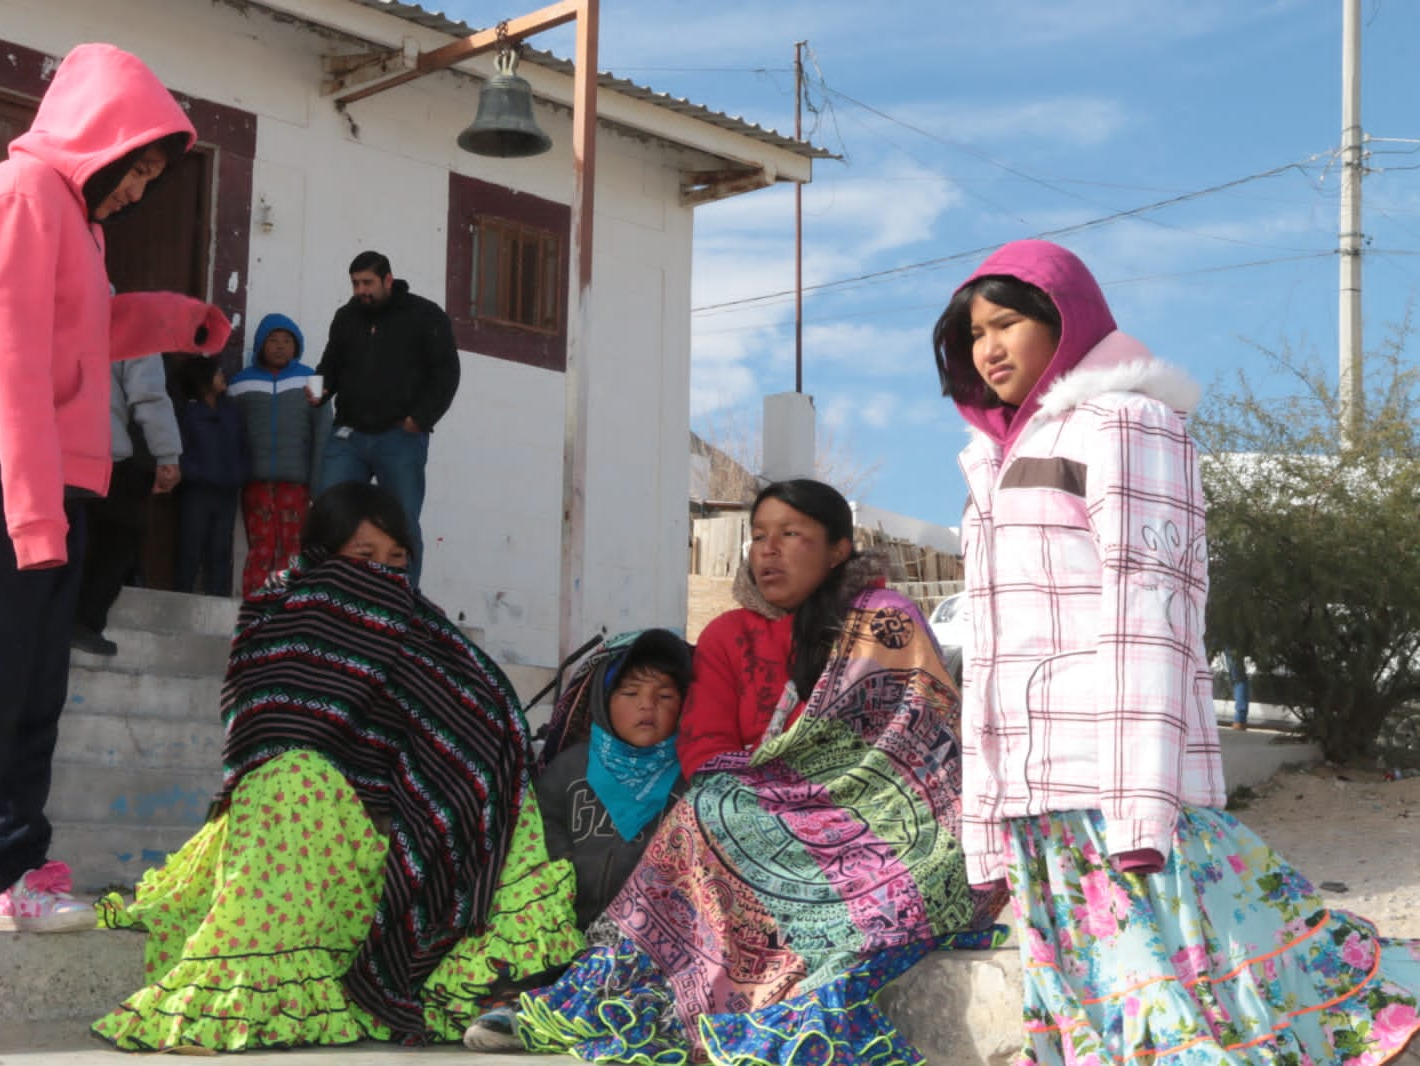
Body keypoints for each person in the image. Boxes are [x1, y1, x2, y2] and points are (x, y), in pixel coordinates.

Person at [933, 238, 1420, 1064]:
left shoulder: (1127, 421)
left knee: (1181, 981)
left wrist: (1136, 800)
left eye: (1007, 322)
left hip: (1111, 770)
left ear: (1066, 320)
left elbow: (1148, 604)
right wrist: (985, 813)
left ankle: (1377, 1005)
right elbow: (992, 644)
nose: (987, 347)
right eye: (972, 332)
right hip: (1033, 778)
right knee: (1101, 998)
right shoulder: (992, 459)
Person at [0, 42, 232, 938]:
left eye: (153, 176)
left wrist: (177, 322)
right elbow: (6, 358)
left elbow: (89, 327)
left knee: (37, 684)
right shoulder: (15, 198)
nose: (137, 189)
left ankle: (12, 873)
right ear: (104, 139)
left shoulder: (76, 224)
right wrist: (32, 506)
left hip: (49, 477)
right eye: (138, 169)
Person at [514, 479, 1006, 1066]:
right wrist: (778, 788)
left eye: (791, 534)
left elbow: (918, 739)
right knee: (704, 809)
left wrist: (810, 789)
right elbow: (704, 745)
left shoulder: (883, 620)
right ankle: (615, 996)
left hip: (880, 817)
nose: (767, 550)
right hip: (767, 809)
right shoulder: (728, 633)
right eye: (758, 536)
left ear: (838, 549)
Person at [92, 481, 582, 1051]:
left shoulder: (423, 628)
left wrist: (424, 799)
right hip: (316, 849)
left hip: (421, 849)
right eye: (362, 557)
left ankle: (498, 985)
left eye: (396, 559)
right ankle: (251, 989)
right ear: (323, 557)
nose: (381, 574)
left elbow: (483, 728)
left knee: (503, 793)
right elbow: (268, 733)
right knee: (291, 779)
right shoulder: (276, 618)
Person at [465, 629, 694, 1051]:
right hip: (570, 934)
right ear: (602, 704)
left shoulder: (694, 778)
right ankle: (533, 1009)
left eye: (664, 696)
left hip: (655, 942)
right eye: (630, 693)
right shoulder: (567, 772)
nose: (647, 705)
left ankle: (554, 1018)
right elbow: (540, 851)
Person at [313, 251, 460, 587]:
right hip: (348, 434)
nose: (361, 290)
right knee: (331, 514)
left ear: (388, 280)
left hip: (400, 436)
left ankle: (402, 598)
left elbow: (447, 372)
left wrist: (421, 418)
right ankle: (327, 590)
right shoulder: (346, 317)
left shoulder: (424, 315)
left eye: (367, 283)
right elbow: (330, 366)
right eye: (355, 283)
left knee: (401, 522)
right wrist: (319, 391)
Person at [72, 352, 183, 657]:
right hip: (104, 452)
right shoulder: (128, 318)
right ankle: (83, 621)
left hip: (50, 445)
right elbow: (146, 394)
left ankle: (51, 617)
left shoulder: (50, 309)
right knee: (117, 537)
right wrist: (168, 454)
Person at [228, 313, 318, 596]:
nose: (280, 346)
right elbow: (231, 431)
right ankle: (256, 603)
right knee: (261, 545)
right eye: (273, 340)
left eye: (287, 341)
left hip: (297, 483)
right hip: (256, 482)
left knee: (293, 546)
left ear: (297, 346)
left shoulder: (311, 378)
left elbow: (323, 429)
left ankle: (288, 603)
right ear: (260, 345)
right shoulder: (241, 382)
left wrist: (319, 480)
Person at [174, 355, 247, 596]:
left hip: (227, 491)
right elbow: (180, 452)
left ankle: (217, 602)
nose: (222, 375)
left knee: (220, 549)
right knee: (190, 549)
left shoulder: (231, 411)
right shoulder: (189, 413)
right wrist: (194, 473)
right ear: (203, 380)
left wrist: (239, 473)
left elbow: (241, 445)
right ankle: (181, 599)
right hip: (198, 490)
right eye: (217, 372)